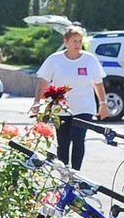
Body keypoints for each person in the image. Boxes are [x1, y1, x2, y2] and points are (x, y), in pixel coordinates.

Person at [32, 27, 108, 168]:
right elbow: (43, 82)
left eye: (80, 41)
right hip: (61, 108)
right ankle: (64, 173)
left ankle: (76, 175)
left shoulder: (89, 60)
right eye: (74, 41)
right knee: (63, 142)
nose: (77, 44)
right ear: (66, 41)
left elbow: (98, 83)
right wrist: (37, 102)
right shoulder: (54, 59)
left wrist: (103, 103)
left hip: (84, 107)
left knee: (78, 138)